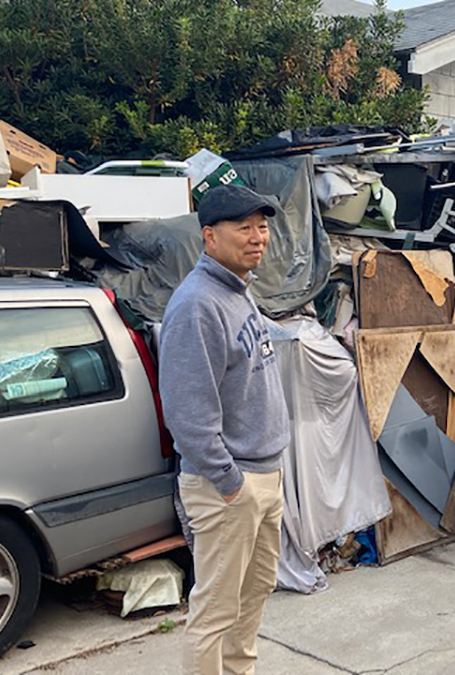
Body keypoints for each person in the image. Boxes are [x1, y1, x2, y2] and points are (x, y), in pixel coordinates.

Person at [159, 184, 290, 675]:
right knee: (215, 611)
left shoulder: (238, 292)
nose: (258, 238)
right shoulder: (197, 305)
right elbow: (188, 416)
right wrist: (232, 484)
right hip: (227, 488)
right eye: (244, 228)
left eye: (262, 226)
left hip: (263, 477)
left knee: (251, 599)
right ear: (210, 236)